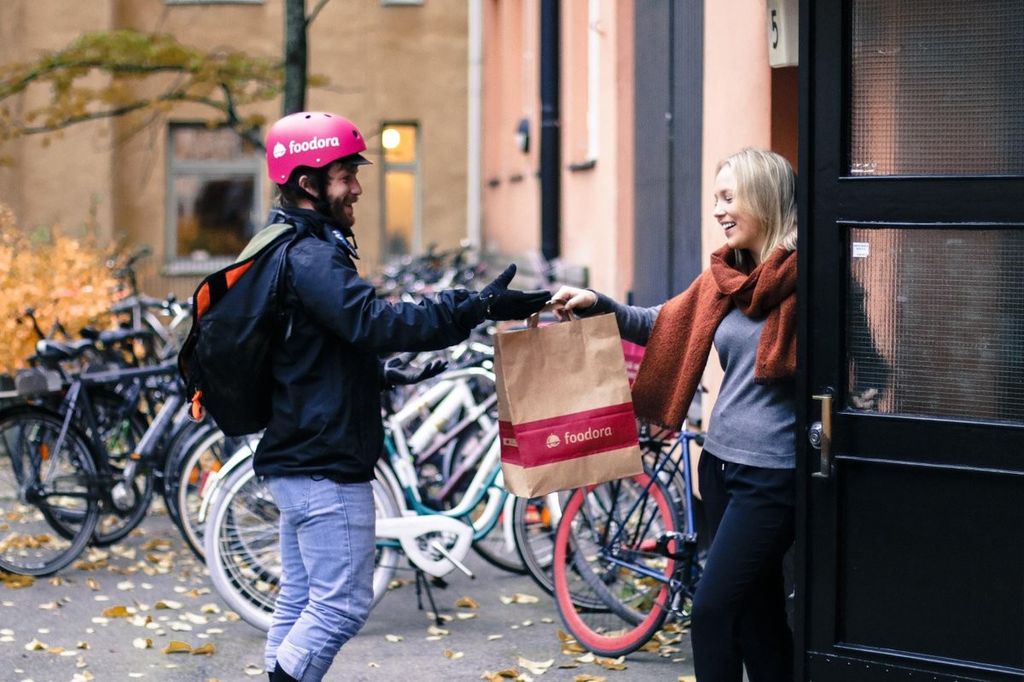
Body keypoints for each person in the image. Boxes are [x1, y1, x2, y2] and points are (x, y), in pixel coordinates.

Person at [255, 111, 550, 682]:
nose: (357, 187)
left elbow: (312, 352)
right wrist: (476, 306)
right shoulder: (310, 257)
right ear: (307, 181)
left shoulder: (289, 246)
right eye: (345, 175)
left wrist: (380, 375)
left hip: (296, 452)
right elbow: (374, 322)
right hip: (322, 461)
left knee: (299, 604)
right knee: (339, 607)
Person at [551, 147, 797, 682]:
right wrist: (598, 304)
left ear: (765, 197)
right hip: (723, 468)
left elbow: (864, 362)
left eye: (729, 197)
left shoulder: (813, 282)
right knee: (759, 615)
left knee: (712, 612)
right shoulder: (727, 279)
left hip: (774, 476)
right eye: (716, 199)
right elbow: (658, 323)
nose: (718, 211)